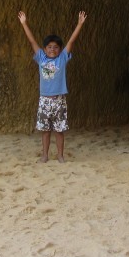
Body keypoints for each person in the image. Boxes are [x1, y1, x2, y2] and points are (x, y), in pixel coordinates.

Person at [17, 10, 87, 163]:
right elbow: (32, 42)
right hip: (44, 101)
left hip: (59, 100)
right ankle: (45, 155)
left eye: (55, 47)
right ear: (44, 49)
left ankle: (60, 155)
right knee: (45, 130)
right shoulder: (41, 57)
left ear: (60, 50)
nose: (52, 50)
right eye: (49, 47)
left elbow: (71, 42)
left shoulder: (62, 58)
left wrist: (80, 24)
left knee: (59, 130)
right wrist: (24, 24)